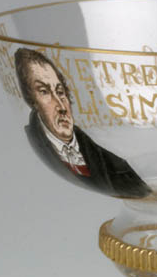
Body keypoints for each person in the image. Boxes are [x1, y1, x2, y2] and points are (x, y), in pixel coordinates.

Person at [14, 48, 149, 198]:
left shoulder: (110, 161)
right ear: (31, 101)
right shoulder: (39, 141)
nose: (61, 106)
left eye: (60, 92)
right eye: (44, 91)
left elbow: (140, 190)